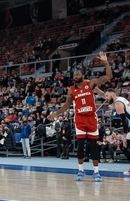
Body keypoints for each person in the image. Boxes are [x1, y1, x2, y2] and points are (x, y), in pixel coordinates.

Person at [48, 52, 112, 182]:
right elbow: (67, 105)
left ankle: (96, 172)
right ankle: (80, 170)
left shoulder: (91, 83)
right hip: (80, 119)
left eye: (77, 74)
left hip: (91, 118)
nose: (75, 76)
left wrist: (106, 63)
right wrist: (56, 113)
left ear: (82, 75)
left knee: (93, 145)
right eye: (74, 75)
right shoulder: (71, 90)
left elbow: (108, 76)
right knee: (81, 144)